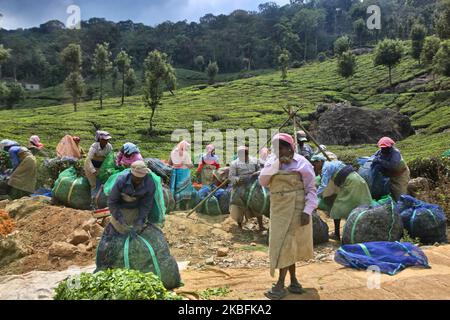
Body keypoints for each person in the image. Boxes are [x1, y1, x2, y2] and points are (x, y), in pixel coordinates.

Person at [95, 161, 180, 289]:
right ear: (131, 174)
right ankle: (104, 270)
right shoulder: (121, 181)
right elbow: (112, 202)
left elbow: (146, 205)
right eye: (137, 178)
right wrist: (120, 219)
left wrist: (140, 221)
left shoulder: (149, 182)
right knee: (110, 243)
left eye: (142, 178)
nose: (139, 180)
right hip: (120, 211)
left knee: (146, 241)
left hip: (137, 211)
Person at [259, 133, 318, 300]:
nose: (280, 151)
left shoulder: (302, 163)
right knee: (283, 243)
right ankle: (293, 281)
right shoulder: (272, 161)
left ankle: (279, 285)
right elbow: (263, 181)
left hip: (296, 208)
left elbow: (311, 189)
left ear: (291, 147)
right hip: (278, 209)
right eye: (277, 148)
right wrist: (276, 164)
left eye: (283, 147)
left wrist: (307, 211)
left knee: (287, 243)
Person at [311, 154, 372, 241]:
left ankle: (337, 234)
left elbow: (323, 185)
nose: (314, 166)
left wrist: (314, 196)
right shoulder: (331, 164)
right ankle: (355, 231)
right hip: (357, 180)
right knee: (357, 206)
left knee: (337, 208)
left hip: (352, 183)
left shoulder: (326, 168)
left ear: (320, 161)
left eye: (315, 163)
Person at [229, 145, 264, 231]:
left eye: (245, 153)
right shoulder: (234, 163)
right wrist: (238, 179)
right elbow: (231, 177)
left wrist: (257, 173)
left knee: (258, 203)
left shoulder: (255, 160)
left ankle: (261, 225)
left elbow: (261, 169)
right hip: (240, 187)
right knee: (238, 205)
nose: (244, 155)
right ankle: (240, 225)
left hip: (253, 185)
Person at [371, 137, 410, 201]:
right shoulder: (380, 152)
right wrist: (373, 160)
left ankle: (403, 204)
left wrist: (380, 161)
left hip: (400, 176)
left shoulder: (395, 153)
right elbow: (374, 157)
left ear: (390, 146)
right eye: (382, 147)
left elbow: (392, 165)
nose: (383, 149)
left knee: (401, 193)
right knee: (391, 193)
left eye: (385, 147)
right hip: (390, 176)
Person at [84, 131, 113, 197]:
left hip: (101, 167)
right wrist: (93, 171)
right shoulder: (94, 146)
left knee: (103, 183)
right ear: (99, 139)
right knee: (94, 184)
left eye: (107, 140)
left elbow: (110, 158)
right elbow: (88, 160)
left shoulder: (109, 146)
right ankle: (93, 200)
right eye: (104, 140)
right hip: (91, 165)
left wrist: (109, 168)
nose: (106, 141)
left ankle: (100, 198)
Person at [168, 140, 195, 209]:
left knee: (177, 189)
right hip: (184, 173)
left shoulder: (173, 152)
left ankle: (176, 206)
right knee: (185, 189)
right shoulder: (185, 154)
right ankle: (185, 206)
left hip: (176, 172)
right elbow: (189, 164)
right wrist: (189, 164)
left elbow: (171, 163)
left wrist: (178, 164)